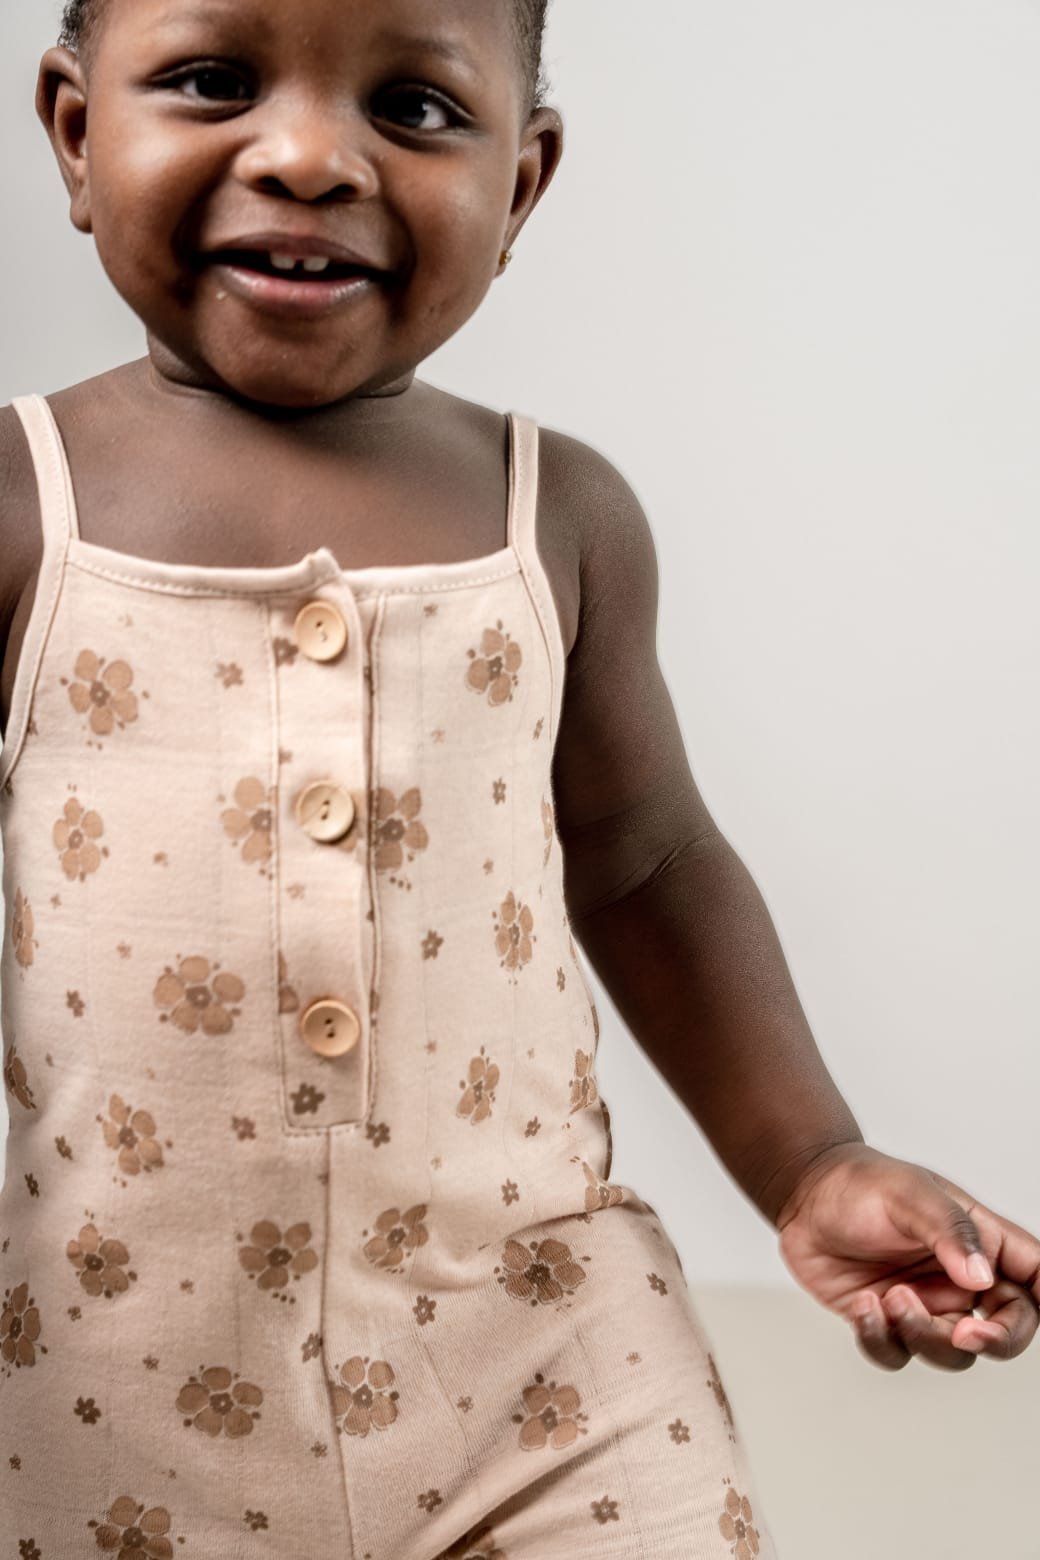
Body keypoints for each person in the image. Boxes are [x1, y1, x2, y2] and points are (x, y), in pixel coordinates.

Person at [0, 1, 1036, 1555]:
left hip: (544, 1360)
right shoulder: (24, 507)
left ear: (524, 184)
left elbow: (647, 858)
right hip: (107, 1377)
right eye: (215, 81)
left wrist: (813, 1161)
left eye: (414, 107)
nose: (310, 157)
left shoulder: (559, 518)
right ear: (80, 135)